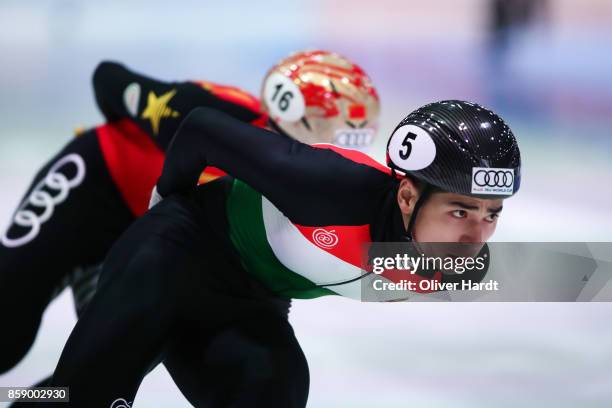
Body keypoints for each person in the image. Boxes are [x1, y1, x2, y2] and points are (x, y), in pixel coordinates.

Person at [48, 100, 521, 407]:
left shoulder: (463, 263)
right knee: (73, 398)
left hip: (246, 304)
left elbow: (589, 275)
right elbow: (200, 130)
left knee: (275, 395)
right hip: (166, 260)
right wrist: (158, 219)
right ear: (406, 198)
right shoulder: (326, 186)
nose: (477, 234)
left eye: (492, 214)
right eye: (460, 212)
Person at [0, 50, 380, 387]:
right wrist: (119, 136)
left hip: (155, 238)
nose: (351, 149)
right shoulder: (214, 109)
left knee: (112, 361)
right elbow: (110, 77)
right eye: (349, 131)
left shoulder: (309, 187)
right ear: (301, 116)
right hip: (91, 190)